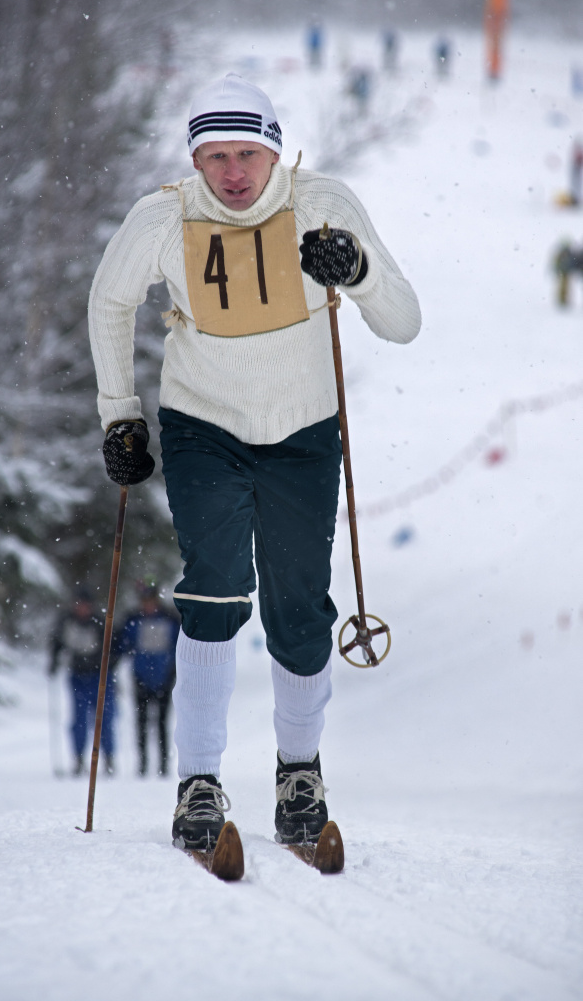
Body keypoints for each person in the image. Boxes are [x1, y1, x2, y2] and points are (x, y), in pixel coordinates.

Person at [88, 73, 421, 850]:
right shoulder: (162, 217)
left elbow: (403, 322)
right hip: (203, 425)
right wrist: (120, 417)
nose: (233, 173)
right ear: (194, 160)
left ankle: (297, 776)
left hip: (303, 432)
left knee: (300, 607)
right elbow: (109, 301)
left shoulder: (323, 204)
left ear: (274, 151)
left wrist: (357, 272)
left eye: (247, 153)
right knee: (213, 589)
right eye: (215, 156)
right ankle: (198, 783)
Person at [48, 587, 117, 776]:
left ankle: (108, 758)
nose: (82, 608)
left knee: (103, 719)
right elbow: (56, 642)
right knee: (78, 719)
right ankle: (78, 758)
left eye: (85, 605)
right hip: (77, 675)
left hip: (99, 676)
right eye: (79, 604)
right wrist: (53, 661)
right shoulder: (66, 622)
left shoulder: (100, 623)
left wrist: (110, 664)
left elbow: (114, 646)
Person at [117, 583, 179, 777]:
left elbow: (180, 646)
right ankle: (143, 763)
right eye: (145, 601)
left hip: (164, 677)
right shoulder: (133, 620)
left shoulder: (170, 619)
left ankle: (163, 764)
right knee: (141, 722)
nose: (148, 605)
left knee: (161, 723)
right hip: (141, 678)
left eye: (151, 601)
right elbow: (122, 644)